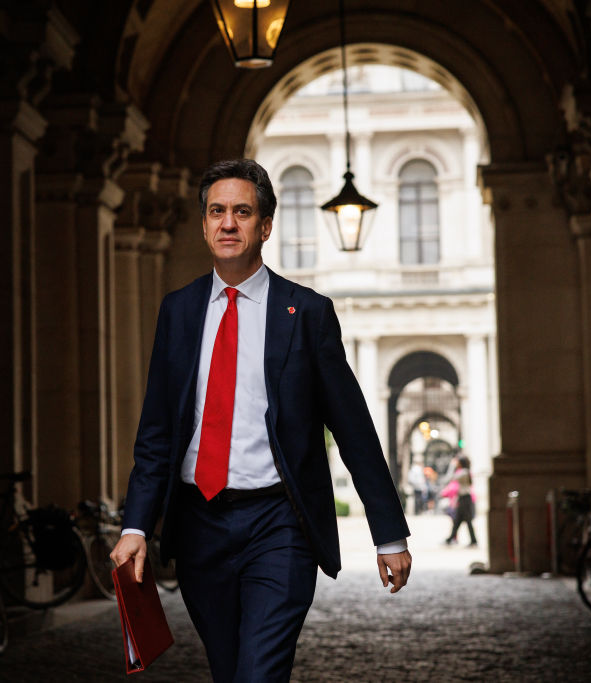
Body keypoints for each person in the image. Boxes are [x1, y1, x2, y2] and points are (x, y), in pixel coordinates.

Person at [110, 159, 412, 682]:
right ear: (204, 225)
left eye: (242, 212)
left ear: (265, 226)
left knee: (258, 674)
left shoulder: (307, 313)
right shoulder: (178, 311)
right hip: (200, 526)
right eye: (217, 212)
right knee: (229, 671)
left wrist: (388, 534)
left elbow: (353, 428)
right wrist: (135, 525)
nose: (228, 223)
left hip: (279, 525)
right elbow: (157, 430)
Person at [442, 454, 476, 546]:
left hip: (465, 499)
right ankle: (451, 539)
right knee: (459, 520)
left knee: (465, 520)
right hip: (463, 498)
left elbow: (450, 478)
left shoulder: (463, 472)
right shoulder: (465, 471)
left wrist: (452, 466)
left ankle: (472, 540)